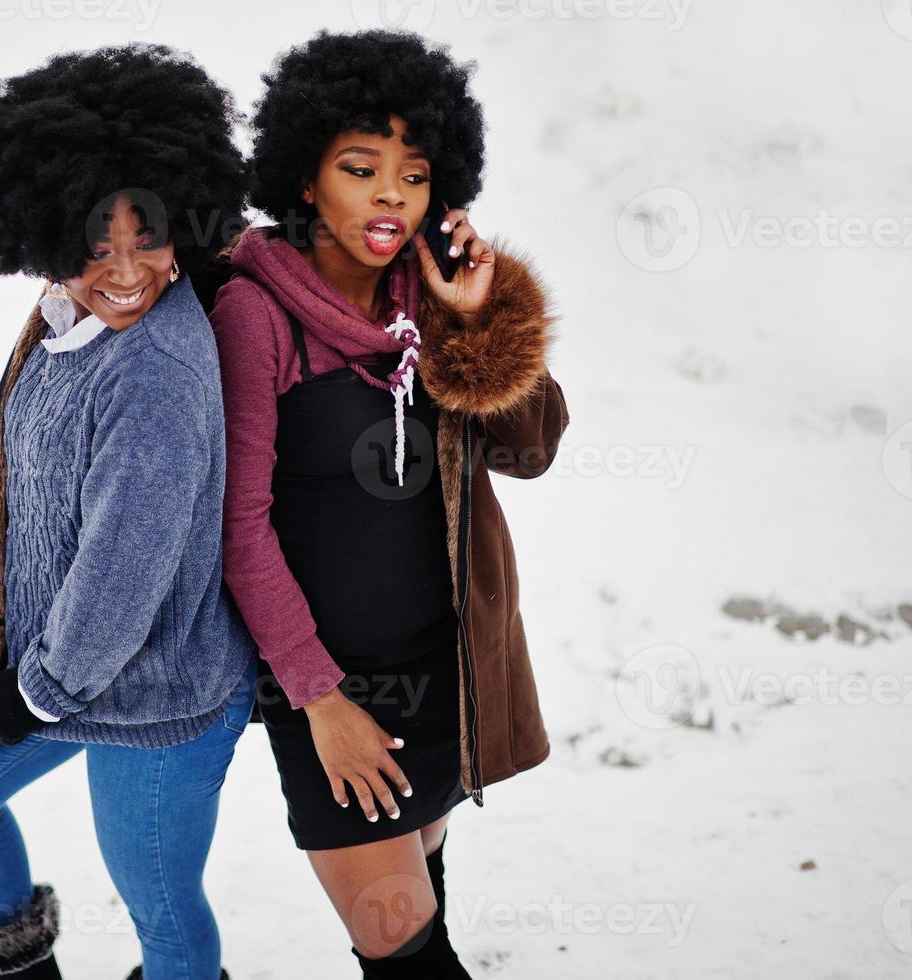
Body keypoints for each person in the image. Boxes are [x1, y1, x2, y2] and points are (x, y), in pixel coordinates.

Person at [209, 29, 570, 978]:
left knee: (423, 892)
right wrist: (320, 701)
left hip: (439, 669)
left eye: (412, 176)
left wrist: (476, 317)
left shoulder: (433, 297)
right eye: (360, 168)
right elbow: (236, 528)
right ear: (303, 179)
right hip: (324, 687)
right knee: (399, 938)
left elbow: (530, 450)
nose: (389, 196)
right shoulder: (257, 312)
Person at [0, 43, 255, 980]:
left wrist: (32, 694)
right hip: (57, 665)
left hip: (157, 698)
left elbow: (120, 572)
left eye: (150, 235)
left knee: (161, 909)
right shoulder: (63, 320)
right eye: (98, 244)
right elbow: (31, 489)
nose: (128, 269)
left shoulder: (155, 377)